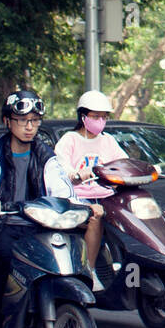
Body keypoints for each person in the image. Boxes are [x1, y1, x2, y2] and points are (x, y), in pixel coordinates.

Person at [0, 89, 98, 328]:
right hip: (3, 229)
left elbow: (64, 194)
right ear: (8, 122)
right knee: (11, 265)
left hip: (41, 229)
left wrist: (85, 207)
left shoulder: (48, 158)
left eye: (34, 120)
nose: (29, 126)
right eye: (23, 120)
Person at [54, 89, 127, 275]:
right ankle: (89, 271)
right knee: (96, 217)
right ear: (83, 116)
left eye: (104, 117)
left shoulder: (108, 141)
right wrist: (77, 175)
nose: (100, 121)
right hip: (78, 200)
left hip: (107, 197)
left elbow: (123, 163)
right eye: (95, 116)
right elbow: (62, 169)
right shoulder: (70, 140)